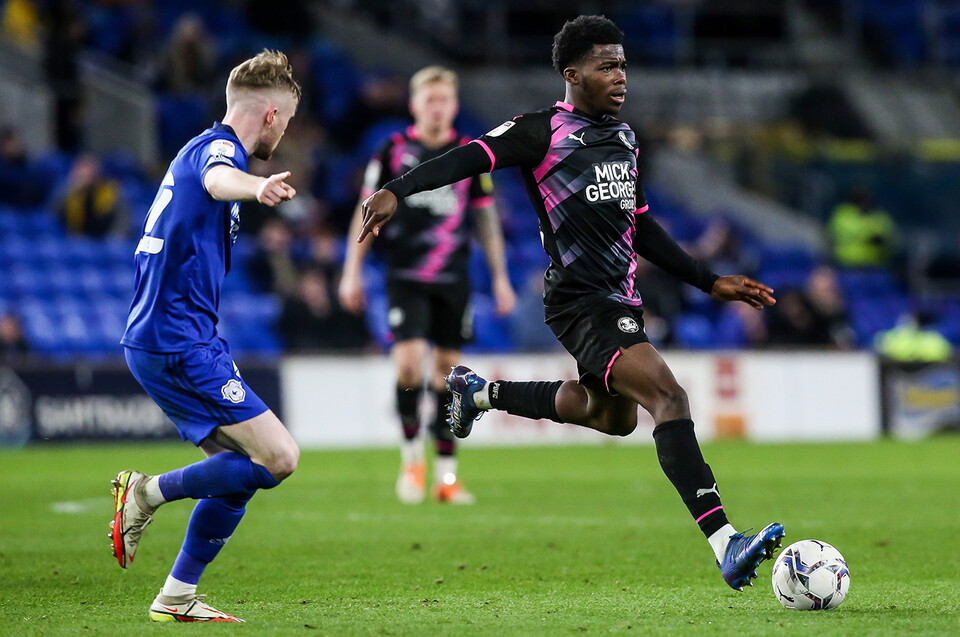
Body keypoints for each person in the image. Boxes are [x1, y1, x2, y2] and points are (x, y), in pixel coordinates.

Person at [358, 16, 784, 592]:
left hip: (620, 298)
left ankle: (479, 392)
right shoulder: (541, 133)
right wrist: (396, 189)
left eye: (623, 65)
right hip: (579, 300)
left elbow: (639, 224)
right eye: (607, 66)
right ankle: (725, 542)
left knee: (609, 414)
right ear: (572, 73)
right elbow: (465, 159)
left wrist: (709, 282)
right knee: (669, 396)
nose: (620, 76)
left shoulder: (625, 139)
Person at [113, 50, 301, 623]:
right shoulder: (219, 151)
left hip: (174, 338)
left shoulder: (197, 148)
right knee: (280, 458)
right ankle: (145, 493)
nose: (285, 132)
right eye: (287, 121)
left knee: (239, 474)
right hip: (177, 341)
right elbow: (220, 180)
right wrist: (256, 186)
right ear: (269, 115)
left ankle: (176, 596)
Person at [339, 65, 516, 505]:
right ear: (415, 105)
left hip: (454, 280)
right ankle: (412, 460)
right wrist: (351, 271)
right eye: (430, 100)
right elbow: (365, 209)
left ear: (454, 106)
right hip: (405, 275)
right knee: (408, 366)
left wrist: (499, 278)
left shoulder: (469, 154)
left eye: (445, 101)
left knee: (448, 376)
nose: (437, 108)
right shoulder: (392, 151)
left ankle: (448, 476)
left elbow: (486, 217)